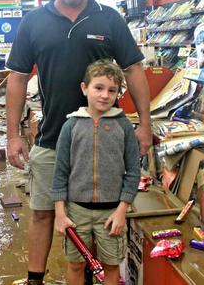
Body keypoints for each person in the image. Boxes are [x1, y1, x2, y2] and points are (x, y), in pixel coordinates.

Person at [5, 0, 151, 284]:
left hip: (103, 146)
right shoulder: (33, 22)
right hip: (52, 139)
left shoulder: (109, 18)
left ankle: (96, 275)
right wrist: (13, 134)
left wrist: (145, 124)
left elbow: (134, 69)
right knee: (43, 214)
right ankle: (35, 280)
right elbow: (16, 78)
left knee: (98, 217)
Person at [52, 60, 140, 285]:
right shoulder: (71, 126)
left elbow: (133, 171)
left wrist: (122, 209)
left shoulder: (124, 126)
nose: (104, 95)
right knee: (75, 264)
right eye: (98, 88)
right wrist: (60, 214)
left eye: (112, 90)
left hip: (111, 214)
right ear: (84, 88)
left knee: (111, 266)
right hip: (76, 212)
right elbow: (60, 172)